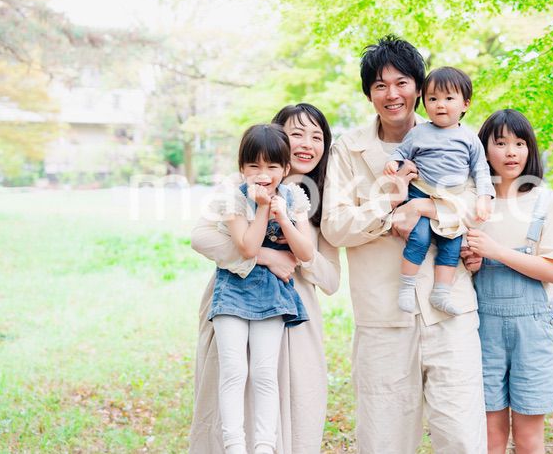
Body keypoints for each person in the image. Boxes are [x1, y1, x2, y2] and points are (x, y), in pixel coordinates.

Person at [321, 35, 487, 453]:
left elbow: (475, 204)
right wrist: (387, 211)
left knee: (462, 434)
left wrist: (424, 210)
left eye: (401, 83)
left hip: (449, 308)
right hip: (382, 315)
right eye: (380, 85)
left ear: (419, 86)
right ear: (369, 94)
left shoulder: (456, 136)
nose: (392, 94)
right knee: (383, 438)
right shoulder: (348, 150)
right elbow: (335, 226)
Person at [190, 105, 340, 454]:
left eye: (316, 136)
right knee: (234, 390)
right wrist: (268, 256)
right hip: (236, 299)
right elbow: (201, 237)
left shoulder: (314, 199)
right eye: (296, 133)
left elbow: (331, 280)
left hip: (294, 312)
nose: (306, 144)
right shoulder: (239, 186)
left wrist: (298, 256)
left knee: (295, 414)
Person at [461, 109, 553, 454]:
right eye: (500, 143)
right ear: (483, 150)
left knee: (528, 440)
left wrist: (496, 251)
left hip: (532, 332)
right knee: (491, 438)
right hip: (483, 329)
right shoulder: (474, 204)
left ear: (530, 149)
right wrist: (474, 261)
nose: (511, 152)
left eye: (519, 143)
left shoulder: (545, 201)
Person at [384, 66, 494, 316]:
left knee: (451, 244)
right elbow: (401, 152)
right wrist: (394, 162)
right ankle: (406, 286)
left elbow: (481, 170)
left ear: (465, 104)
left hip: (452, 199)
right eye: (432, 99)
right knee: (419, 238)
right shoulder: (419, 133)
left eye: (448, 98)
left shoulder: (469, 138)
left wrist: (484, 198)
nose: (440, 105)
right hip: (421, 193)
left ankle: (441, 293)